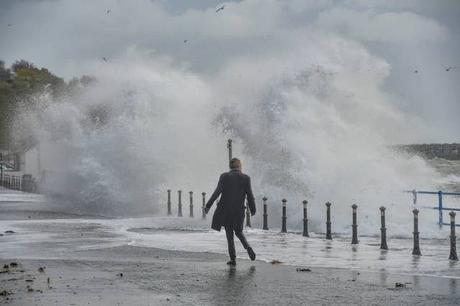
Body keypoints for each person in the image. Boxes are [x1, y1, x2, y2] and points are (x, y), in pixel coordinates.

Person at [205, 158, 256, 266]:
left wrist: (208, 205)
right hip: (239, 211)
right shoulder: (246, 178)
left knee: (229, 235)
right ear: (239, 166)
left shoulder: (224, 176)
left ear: (230, 167)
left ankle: (233, 259)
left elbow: (217, 192)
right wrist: (253, 209)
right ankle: (248, 247)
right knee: (239, 232)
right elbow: (250, 196)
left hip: (226, 211)